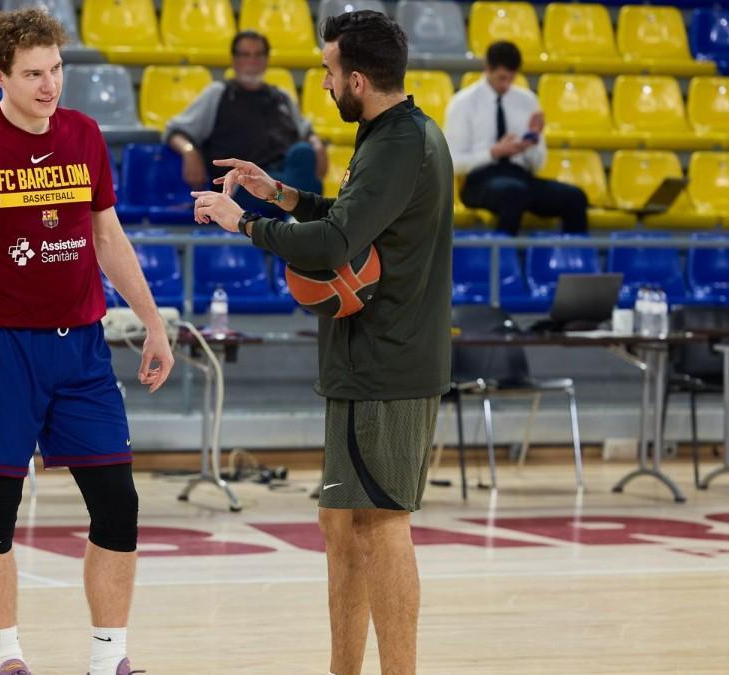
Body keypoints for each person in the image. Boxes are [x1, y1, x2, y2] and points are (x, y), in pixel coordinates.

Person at [0, 9, 174, 675]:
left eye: (56, 70)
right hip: (2, 352)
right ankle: (7, 654)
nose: (50, 85)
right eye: (33, 74)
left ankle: (109, 656)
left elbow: (108, 238)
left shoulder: (83, 135)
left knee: (118, 503)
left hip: (81, 349)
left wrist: (154, 320)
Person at [189, 10, 451, 675]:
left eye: (331, 72)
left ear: (358, 79)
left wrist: (242, 221)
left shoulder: (399, 143)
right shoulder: (390, 134)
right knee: (342, 522)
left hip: (387, 361)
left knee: (383, 522)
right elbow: (345, 216)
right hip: (361, 359)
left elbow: (335, 244)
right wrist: (277, 193)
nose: (326, 83)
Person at [165, 30, 327, 216]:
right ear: (234, 60)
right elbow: (175, 131)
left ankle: (292, 208)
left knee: (304, 153)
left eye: (258, 55)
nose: (252, 61)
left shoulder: (281, 97)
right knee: (310, 187)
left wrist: (317, 145)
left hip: (282, 177)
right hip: (243, 184)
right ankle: (298, 210)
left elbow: (306, 131)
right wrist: (189, 151)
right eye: (245, 55)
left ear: (266, 60)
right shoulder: (218, 93)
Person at [444, 40, 588, 236]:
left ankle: (574, 261)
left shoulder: (527, 100)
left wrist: (532, 142)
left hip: (519, 176)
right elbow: (453, 162)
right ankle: (504, 262)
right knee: (514, 193)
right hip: (479, 180)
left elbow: (537, 165)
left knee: (575, 197)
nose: (506, 85)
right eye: (501, 78)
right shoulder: (463, 103)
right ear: (487, 69)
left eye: (511, 79)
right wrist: (493, 153)